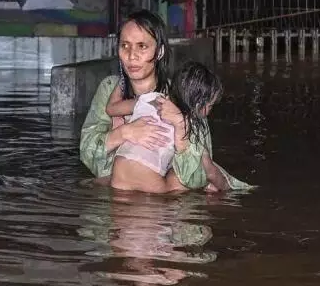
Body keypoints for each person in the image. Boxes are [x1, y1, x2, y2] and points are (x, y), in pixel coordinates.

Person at [112, 61, 254, 193]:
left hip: (117, 179)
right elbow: (209, 171)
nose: (210, 111)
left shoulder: (151, 98)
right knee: (193, 172)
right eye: (210, 106)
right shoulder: (188, 124)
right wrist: (229, 189)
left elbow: (111, 109)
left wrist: (123, 80)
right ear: (199, 104)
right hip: (151, 188)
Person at [79, 10, 174, 189]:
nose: (132, 56)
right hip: (112, 193)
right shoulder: (109, 89)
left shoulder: (176, 95)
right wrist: (125, 133)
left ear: (160, 51)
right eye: (125, 46)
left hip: (158, 194)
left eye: (142, 46)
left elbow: (196, 156)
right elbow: (86, 151)